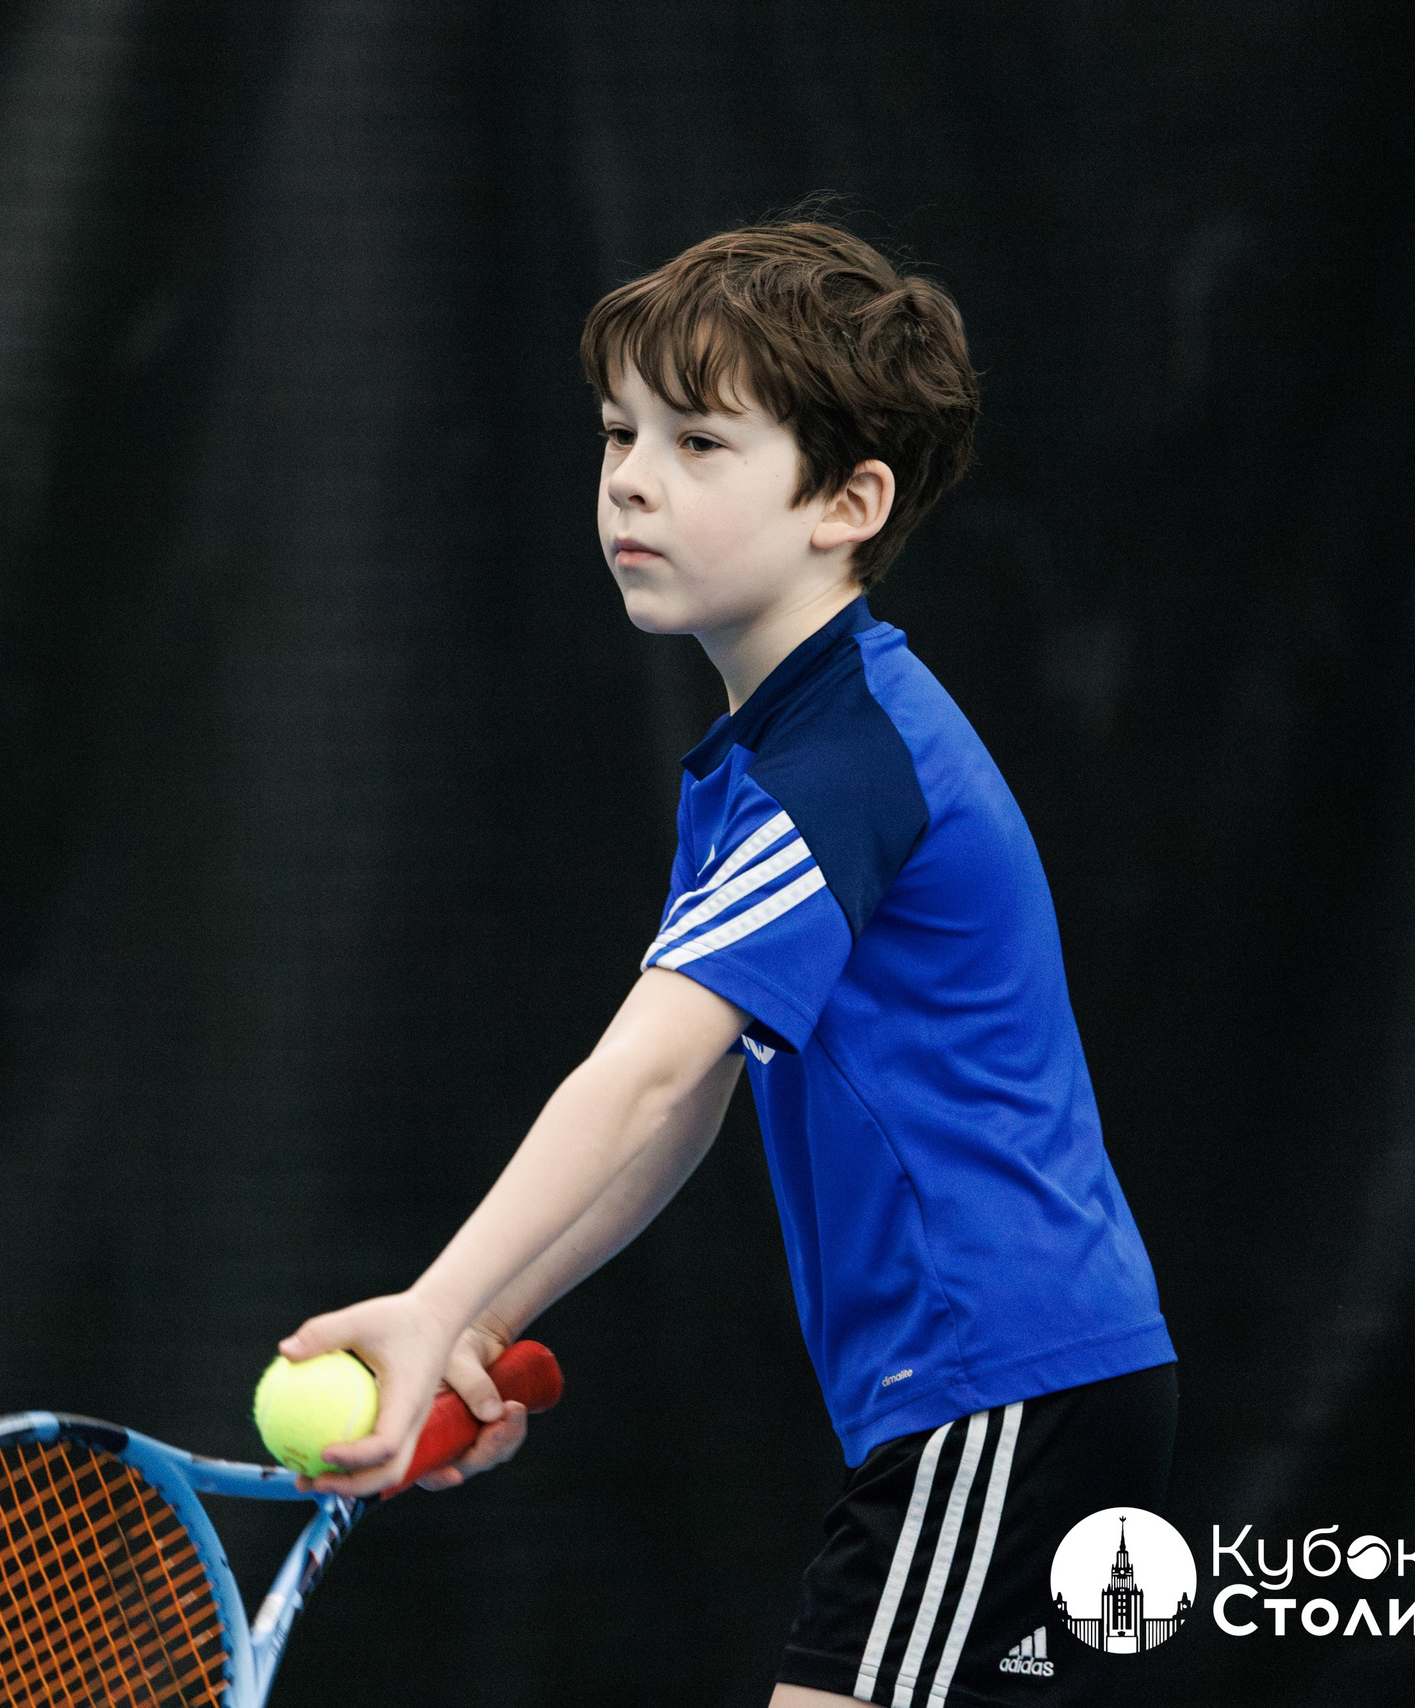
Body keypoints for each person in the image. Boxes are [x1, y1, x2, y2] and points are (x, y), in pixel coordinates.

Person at [278, 219, 1176, 1707]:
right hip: (1012, 1397)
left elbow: (646, 1073)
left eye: (701, 442)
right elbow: (689, 1109)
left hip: (1003, 1393)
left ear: (847, 500)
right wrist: (491, 1322)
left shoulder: (847, 765)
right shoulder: (779, 757)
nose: (632, 476)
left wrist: (438, 1303)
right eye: (621, 432)